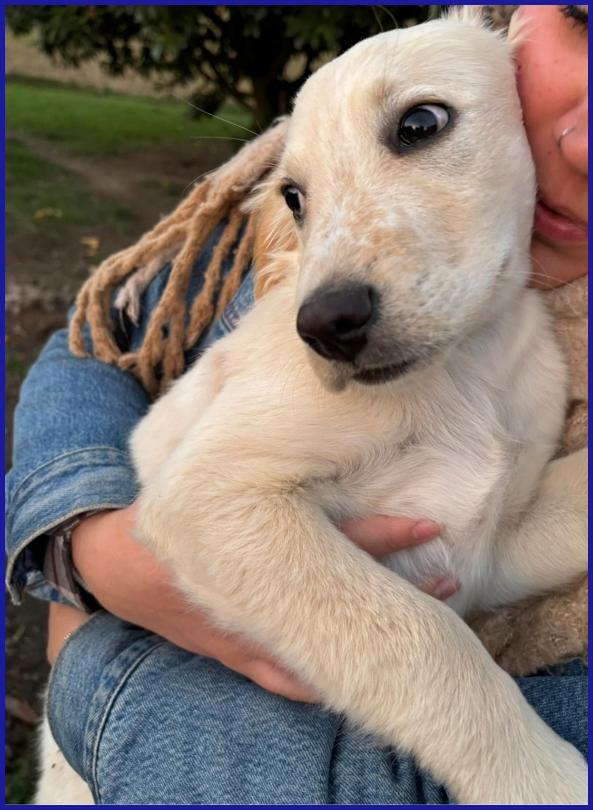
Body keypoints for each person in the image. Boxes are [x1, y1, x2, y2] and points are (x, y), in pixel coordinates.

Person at [5, 5, 587, 803]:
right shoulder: (290, 289)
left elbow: (482, 556)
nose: (325, 296)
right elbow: (105, 349)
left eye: (418, 126)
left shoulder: (535, 366)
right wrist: (85, 543)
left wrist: (93, 661)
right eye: (300, 201)